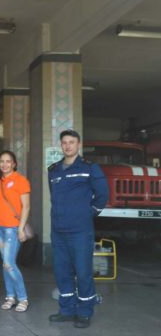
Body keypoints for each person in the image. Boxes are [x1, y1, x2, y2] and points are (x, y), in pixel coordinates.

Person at [47, 130, 108, 328]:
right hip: (58, 231)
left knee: (83, 273)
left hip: (80, 231)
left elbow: (102, 195)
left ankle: (84, 311)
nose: (67, 146)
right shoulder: (53, 170)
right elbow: (54, 197)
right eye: (64, 142)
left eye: (71, 142)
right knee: (61, 272)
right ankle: (67, 310)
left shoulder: (90, 168)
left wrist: (87, 214)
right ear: (61, 145)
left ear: (78, 144)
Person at [0, 150, 31, 312]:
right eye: (1, 161)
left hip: (13, 228)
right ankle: (10, 297)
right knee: (6, 265)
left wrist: (21, 228)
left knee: (9, 263)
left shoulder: (21, 181)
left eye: (8, 161)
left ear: (14, 164)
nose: (4, 164)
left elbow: (26, 206)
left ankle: (23, 298)